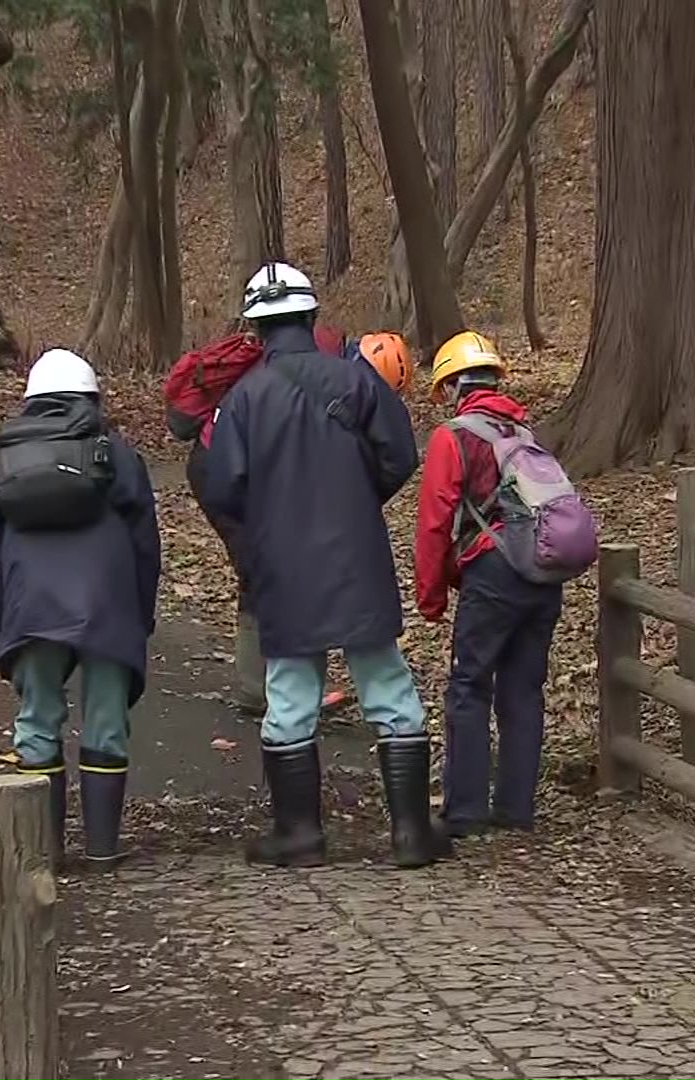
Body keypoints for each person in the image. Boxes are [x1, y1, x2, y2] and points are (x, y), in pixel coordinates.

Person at [204, 261, 448, 869]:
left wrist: (269, 519)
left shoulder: (243, 400)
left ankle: (300, 836)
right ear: (312, 316)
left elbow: (223, 486)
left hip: (282, 565)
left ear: (256, 329)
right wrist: (355, 499)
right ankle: (412, 835)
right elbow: (399, 456)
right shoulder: (357, 381)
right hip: (357, 555)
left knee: (289, 694)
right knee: (387, 686)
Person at [0, 348, 161, 867]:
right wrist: (141, 614)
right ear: (92, 398)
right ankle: (102, 848)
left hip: (31, 608)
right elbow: (145, 543)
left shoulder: (2, 460)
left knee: (37, 721)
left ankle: (44, 852)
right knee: (106, 722)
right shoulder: (117, 455)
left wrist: (2, 632)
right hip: (108, 604)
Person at [413, 331, 566, 837]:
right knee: (523, 690)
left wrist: (431, 597)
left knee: (469, 686)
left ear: (451, 386)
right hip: (542, 572)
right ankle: (516, 809)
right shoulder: (523, 433)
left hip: (493, 571)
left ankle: (465, 810)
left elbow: (434, 523)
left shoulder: (453, 437)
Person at [167, 321, 355, 715]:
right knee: (265, 567)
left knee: (264, 566)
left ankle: (273, 685)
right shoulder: (323, 360)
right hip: (226, 464)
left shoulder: (297, 349)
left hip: (220, 460)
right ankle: (267, 689)